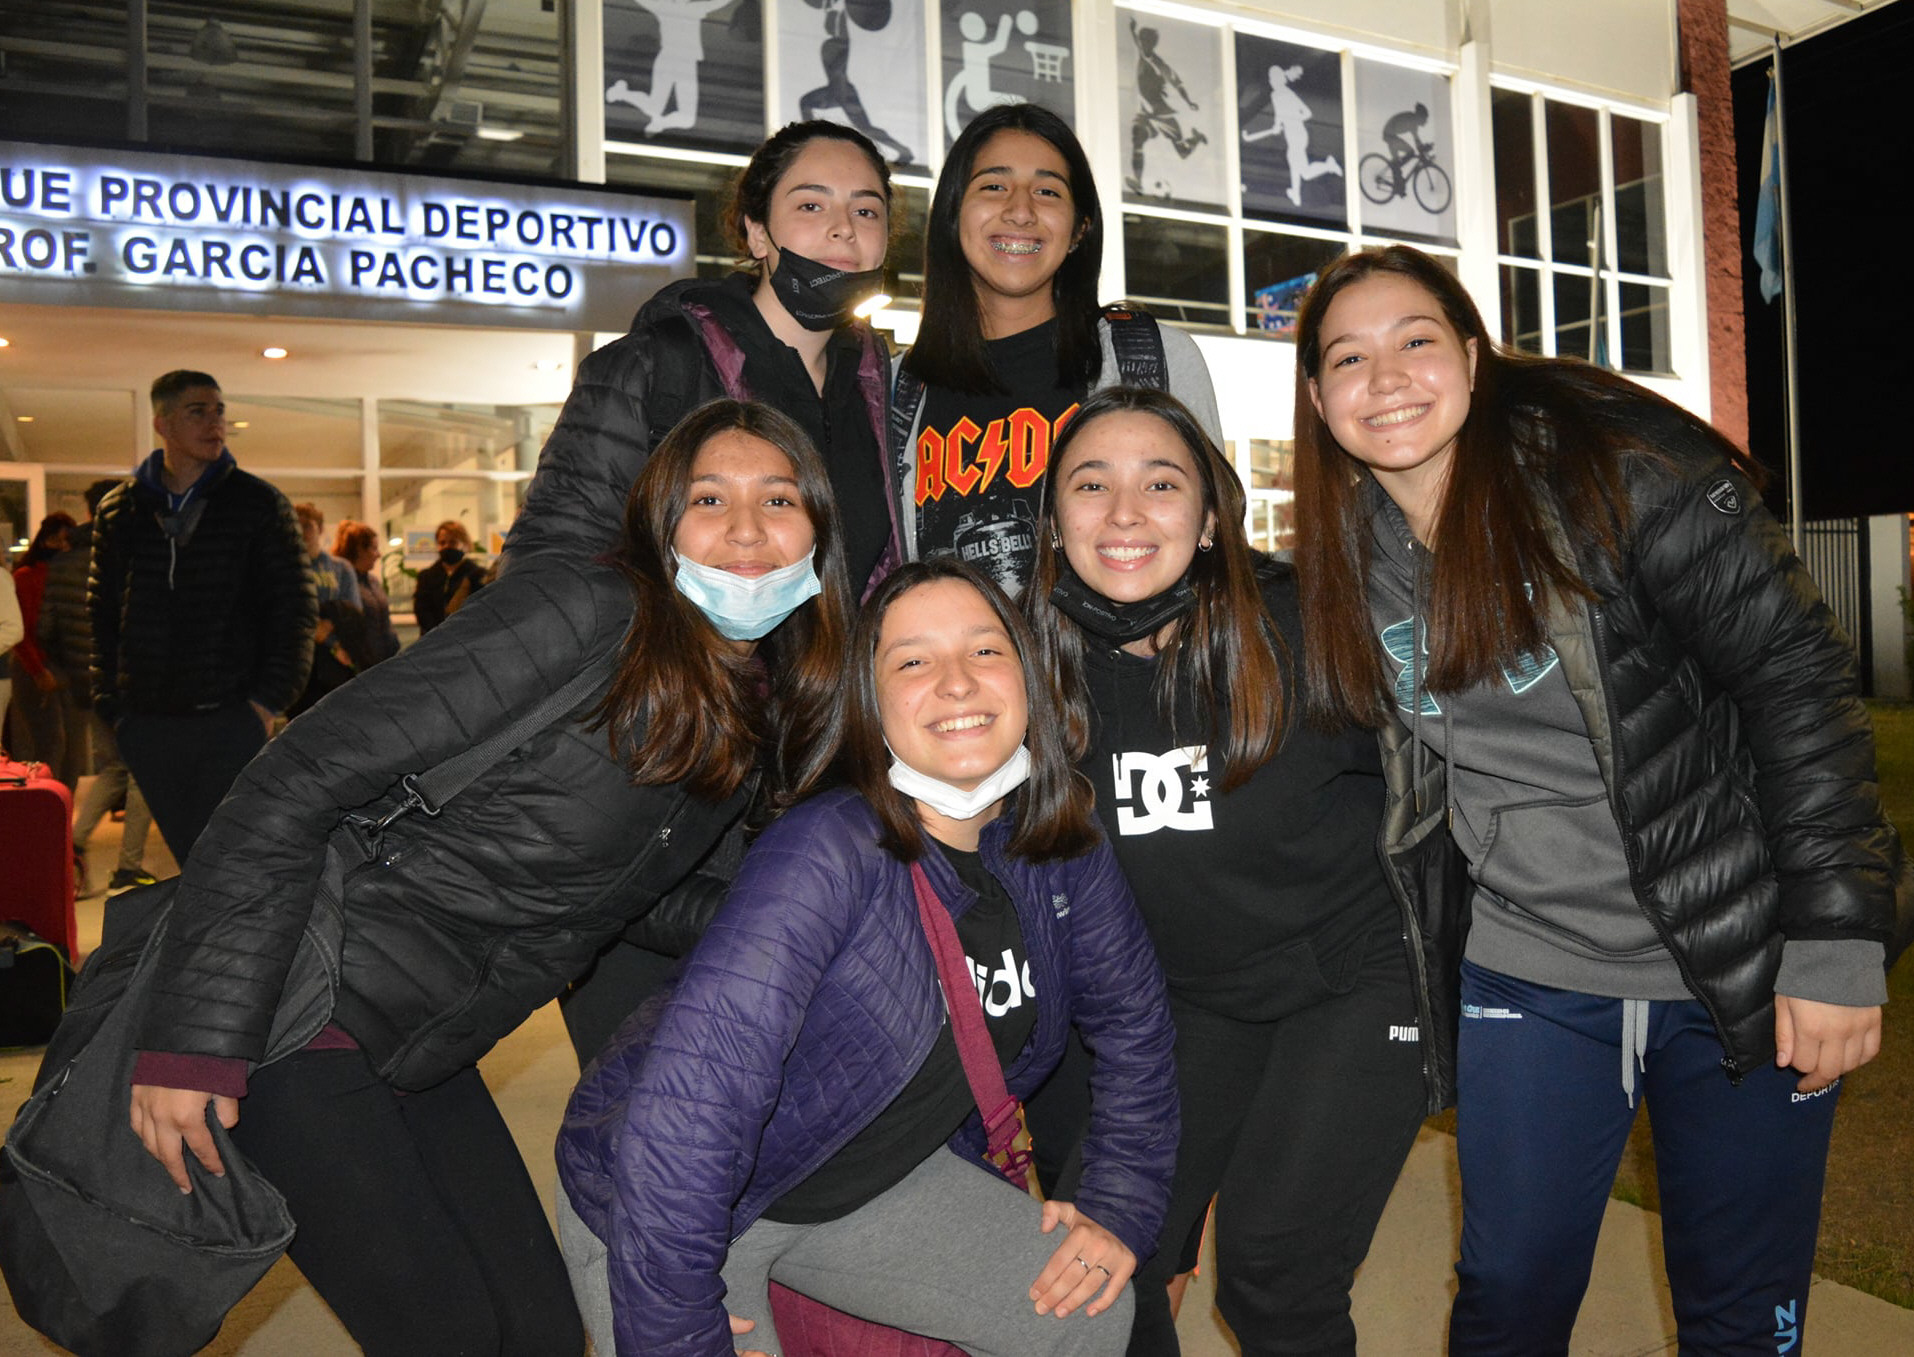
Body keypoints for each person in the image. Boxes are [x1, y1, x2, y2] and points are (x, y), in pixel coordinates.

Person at [126, 399, 854, 1357]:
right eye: (710, 497)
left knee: (544, 1333)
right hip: (300, 1014)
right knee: (453, 1334)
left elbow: (638, 895)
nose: (749, 528)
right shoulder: (585, 610)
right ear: (659, 519)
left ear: (818, 531)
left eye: (780, 499)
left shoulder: (744, 705)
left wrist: (829, 918)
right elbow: (294, 778)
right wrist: (192, 1040)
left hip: (428, 1038)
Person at [1289, 244, 1902, 1354]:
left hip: (1740, 961)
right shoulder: (1349, 556)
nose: (1386, 379)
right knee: (1508, 1295)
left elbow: (1799, 681)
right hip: (1532, 974)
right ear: (1321, 400)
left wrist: (1837, 941)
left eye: (1416, 342)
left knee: (1741, 1310)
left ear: (1472, 358)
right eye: (1348, 359)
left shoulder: (1612, 475)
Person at [557, 558, 1179, 1357]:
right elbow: (690, 1109)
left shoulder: (1060, 840)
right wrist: (676, 1328)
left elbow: (1136, 1026)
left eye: (985, 651)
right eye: (913, 661)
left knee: (1087, 1306)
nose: (956, 682)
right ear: (871, 703)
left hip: (873, 1181)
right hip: (676, 1203)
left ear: (1030, 675)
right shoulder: (826, 849)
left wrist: (1117, 1202)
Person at [1021, 386, 1428, 1356]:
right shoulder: (1030, 668)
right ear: (1054, 521)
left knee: (1273, 1273)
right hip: (1190, 1005)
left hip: (1351, 978)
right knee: (1088, 1266)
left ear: (1210, 519)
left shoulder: (1308, 625)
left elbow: (1464, 770)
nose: (1124, 513)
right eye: (1091, 484)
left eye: (1161, 484)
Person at [509, 119, 901, 597]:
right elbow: (551, 568)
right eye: (811, 205)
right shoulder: (653, 369)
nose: (844, 228)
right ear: (758, 234)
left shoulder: (884, 390)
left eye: (866, 211)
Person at [894, 102, 1219, 598]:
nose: (1020, 211)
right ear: (954, 214)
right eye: (993, 186)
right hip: (961, 673)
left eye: (1047, 191)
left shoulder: (1152, 361)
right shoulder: (896, 391)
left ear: (1080, 228)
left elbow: (1217, 544)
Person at [89, 370, 315, 863]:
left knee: (235, 857)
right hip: (148, 722)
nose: (215, 423)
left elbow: (294, 609)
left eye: (219, 412)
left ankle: (236, 940)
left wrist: (265, 702)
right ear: (163, 423)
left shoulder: (258, 504)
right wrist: (115, 707)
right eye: (198, 411)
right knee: (195, 862)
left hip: (232, 717)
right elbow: (100, 615)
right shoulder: (120, 511)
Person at [37, 478, 156, 893]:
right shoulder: (129, 557)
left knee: (113, 767)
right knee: (143, 772)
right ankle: (128, 865)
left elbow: (46, 628)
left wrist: (72, 670)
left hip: (86, 686)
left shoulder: (63, 563)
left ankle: (72, 841)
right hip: (130, 682)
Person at [6, 511, 75, 766]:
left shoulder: (67, 577)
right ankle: (45, 802)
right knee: (51, 743)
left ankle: (62, 802)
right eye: (58, 540)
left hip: (63, 668)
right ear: (46, 540)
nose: (63, 547)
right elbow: (21, 630)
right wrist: (37, 670)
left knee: (72, 751)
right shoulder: (26, 576)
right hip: (34, 666)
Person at [334, 519, 401, 662]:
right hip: (360, 664)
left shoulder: (373, 582)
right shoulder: (342, 584)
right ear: (359, 550)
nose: (379, 554)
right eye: (374, 548)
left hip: (383, 661)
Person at [411, 519, 488, 636]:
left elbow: (479, 612)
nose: (447, 547)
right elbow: (422, 612)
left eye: (453, 542)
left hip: (467, 640)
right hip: (432, 642)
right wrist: (438, 634)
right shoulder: (426, 577)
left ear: (465, 545)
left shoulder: (478, 576)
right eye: (442, 543)